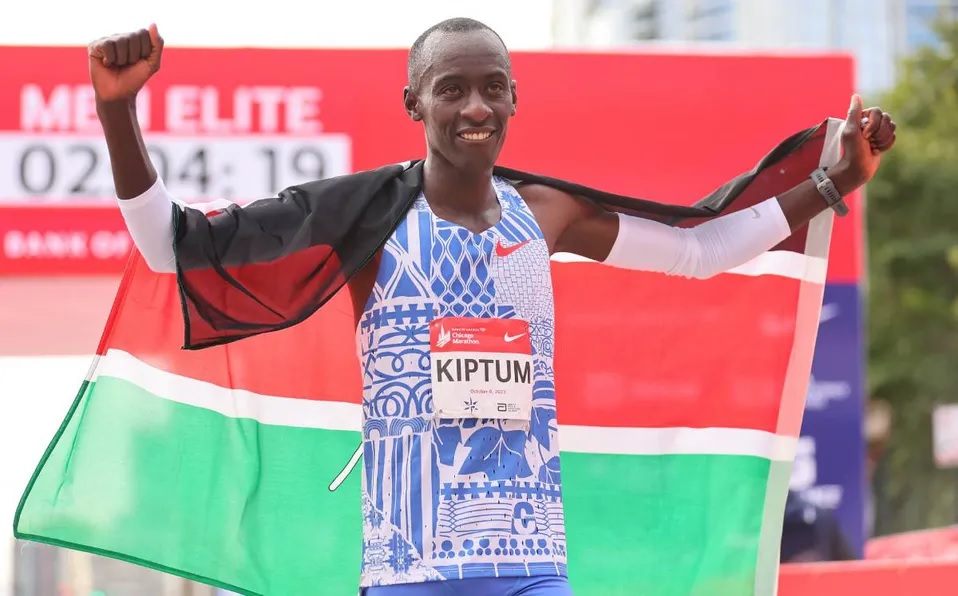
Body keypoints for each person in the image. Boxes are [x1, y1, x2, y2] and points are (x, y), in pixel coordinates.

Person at [87, 17, 897, 596]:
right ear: (414, 103)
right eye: (451, 90)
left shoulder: (544, 215)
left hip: (535, 563)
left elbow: (701, 249)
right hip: (413, 570)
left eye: (492, 89)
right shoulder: (365, 217)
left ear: (515, 100)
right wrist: (119, 111)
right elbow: (172, 245)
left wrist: (831, 185)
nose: (475, 108)